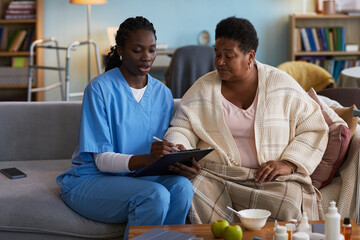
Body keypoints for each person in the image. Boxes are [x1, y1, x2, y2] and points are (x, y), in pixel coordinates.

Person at [164, 17, 329, 224]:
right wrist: (182, 151)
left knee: (291, 201)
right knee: (193, 190)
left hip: (270, 180)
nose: (219, 62)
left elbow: (314, 127)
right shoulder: (202, 88)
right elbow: (181, 126)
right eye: (216, 53)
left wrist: (289, 163)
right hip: (216, 176)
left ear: (250, 56)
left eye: (228, 56)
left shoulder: (281, 84)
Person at [56, 16, 194, 239]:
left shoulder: (163, 93)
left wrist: (179, 159)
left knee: (182, 187)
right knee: (155, 195)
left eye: (152, 50)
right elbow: (101, 161)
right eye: (137, 50)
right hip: (93, 178)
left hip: (140, 177)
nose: (147, 58)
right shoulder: (99, 89)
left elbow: (163, 145)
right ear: (121, 50)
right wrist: (148, 158)